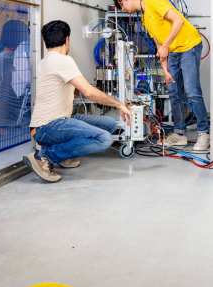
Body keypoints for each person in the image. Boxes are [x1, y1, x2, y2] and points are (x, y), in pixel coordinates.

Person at [24, 20, 132, 183]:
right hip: (49, 126)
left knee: (110, 124)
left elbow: (68, 88)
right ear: (67, 40)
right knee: (104, 139)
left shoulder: (46, 61)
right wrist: (119, 104)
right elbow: (88, 92)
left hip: (52, 122)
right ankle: (46, 156)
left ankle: (62, 154)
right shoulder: (63, 60)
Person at [112, 0, 209, 151]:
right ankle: (179, 134)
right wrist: (165, 70)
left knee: (191, 90)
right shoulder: (145, 18)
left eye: (122, 4)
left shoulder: (152, 1)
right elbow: (159, 45)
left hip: (189, 46)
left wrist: (166, 45)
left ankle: (204, 133)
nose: (123, 9)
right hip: (173, 51)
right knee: (173, 90)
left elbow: (178, 20)